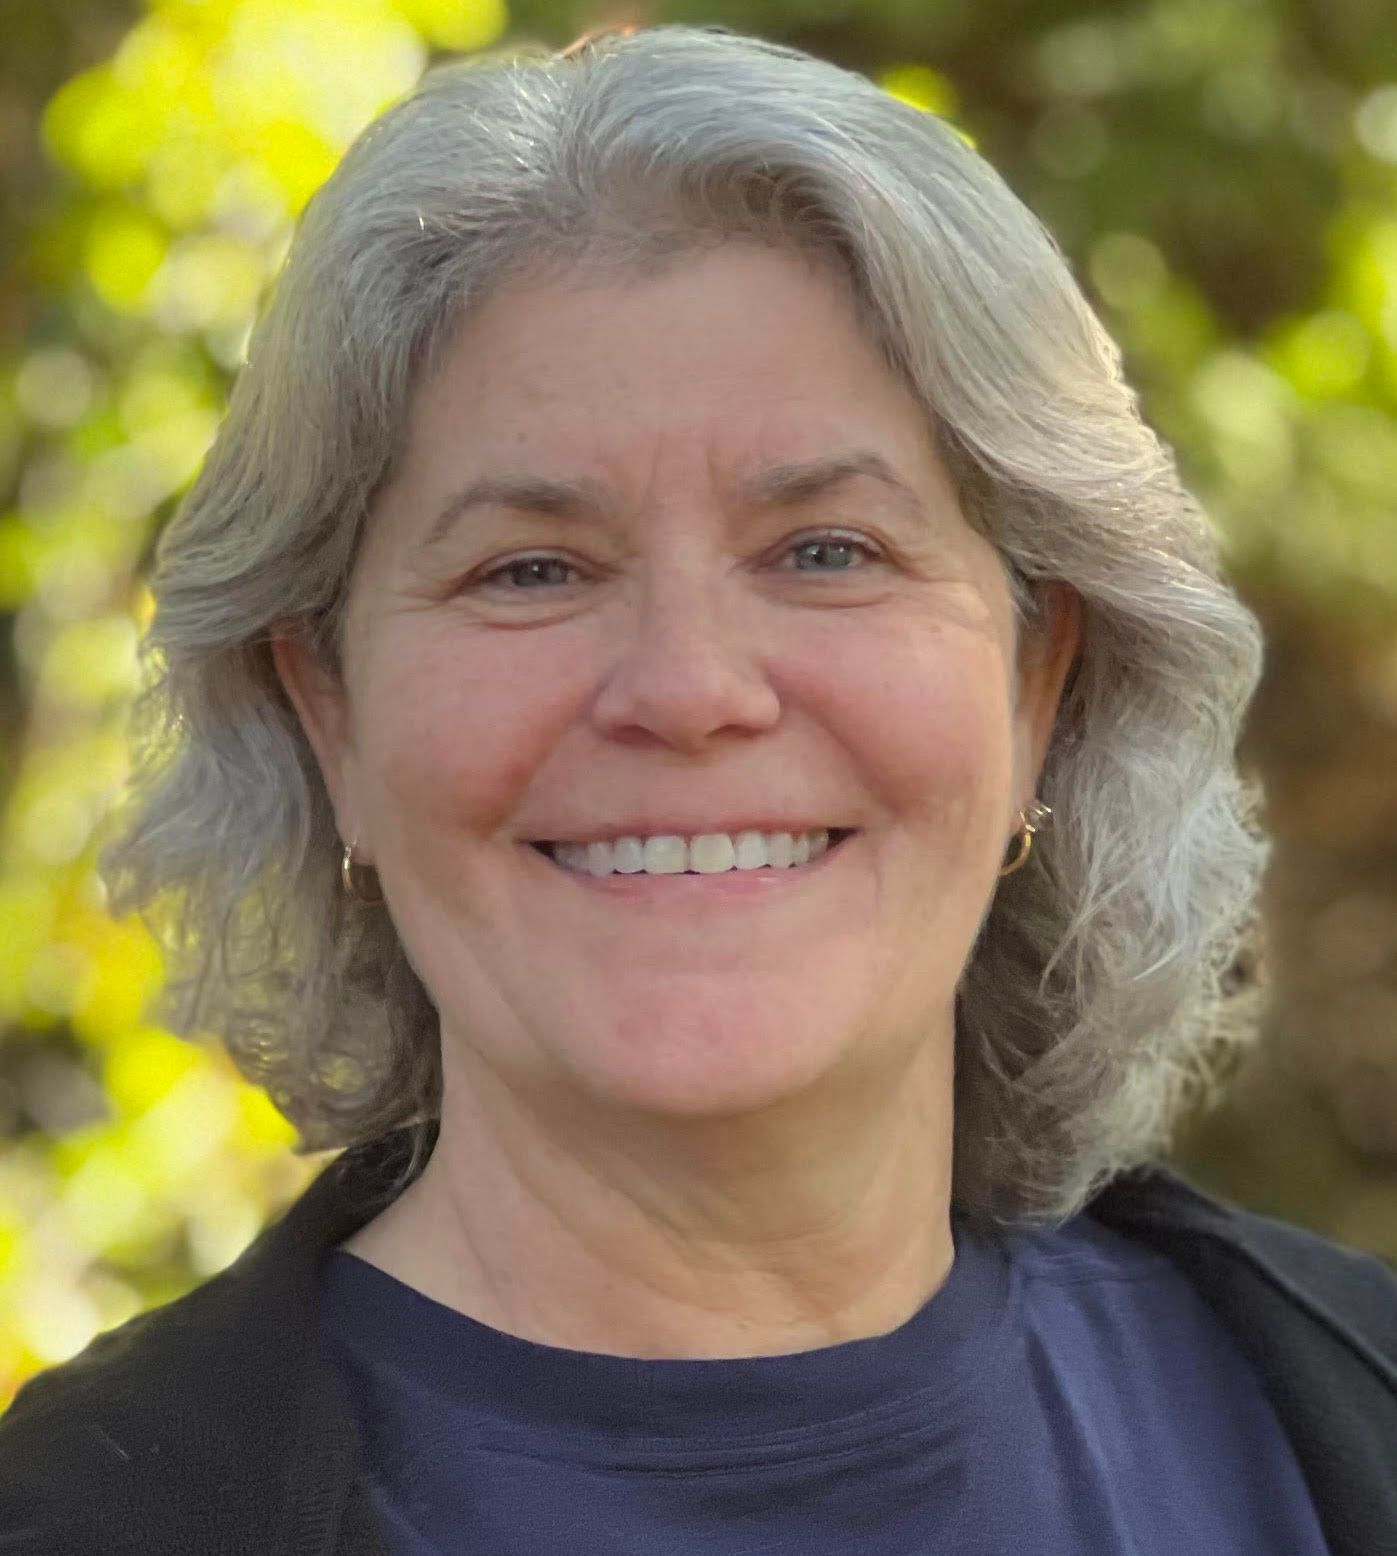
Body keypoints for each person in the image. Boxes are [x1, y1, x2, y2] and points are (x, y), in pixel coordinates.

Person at [2, 23, 1394, 1556]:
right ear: (325, 714)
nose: (686, 691)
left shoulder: (1335, 1427)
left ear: (1035, 684)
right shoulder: (79, 1518)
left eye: (826, 551)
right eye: (529, 570)